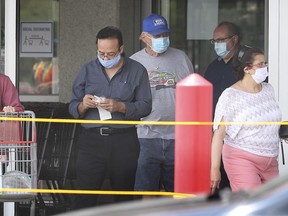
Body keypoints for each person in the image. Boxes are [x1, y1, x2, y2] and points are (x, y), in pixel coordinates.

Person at [69, 26, 152, 210]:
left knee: (124, 196)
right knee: (84, 195)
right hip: (91, 140)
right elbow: (72, 105)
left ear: (121, 49)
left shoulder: (137, 70)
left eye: (110, 53)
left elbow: (146, 106)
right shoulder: (88, 69)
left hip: (123, 140)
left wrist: (121, 106)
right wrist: (83, 105)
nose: (105, 58)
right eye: (101, 53)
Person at [130, 13, 194, 194]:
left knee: (179, 191)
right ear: (144, 37)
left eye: (165, 35)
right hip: (146, 136)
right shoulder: (135, 62)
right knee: (146, 190)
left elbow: (192, 94)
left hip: (178, 136)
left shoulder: (181, 58)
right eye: (157, 36)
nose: (163, 39)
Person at [210, 45, 281, 194]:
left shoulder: (269, 89)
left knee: (274, 208)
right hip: (241, 158)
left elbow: (267, 121)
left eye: (265, 63)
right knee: (252, 205)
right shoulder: (230, 96)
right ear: (247, 69)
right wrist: (215, 168)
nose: (265, 67)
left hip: (270, 160)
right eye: (260, 64)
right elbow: (218, 135)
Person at [204, 21, 242, 191]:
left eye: (221, 40)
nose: (217, 44)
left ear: (234, 39)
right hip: (216, 135)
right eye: (214, 41)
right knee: (217, 183)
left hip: (240, 135)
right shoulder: (212, 68)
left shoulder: (245, 67)